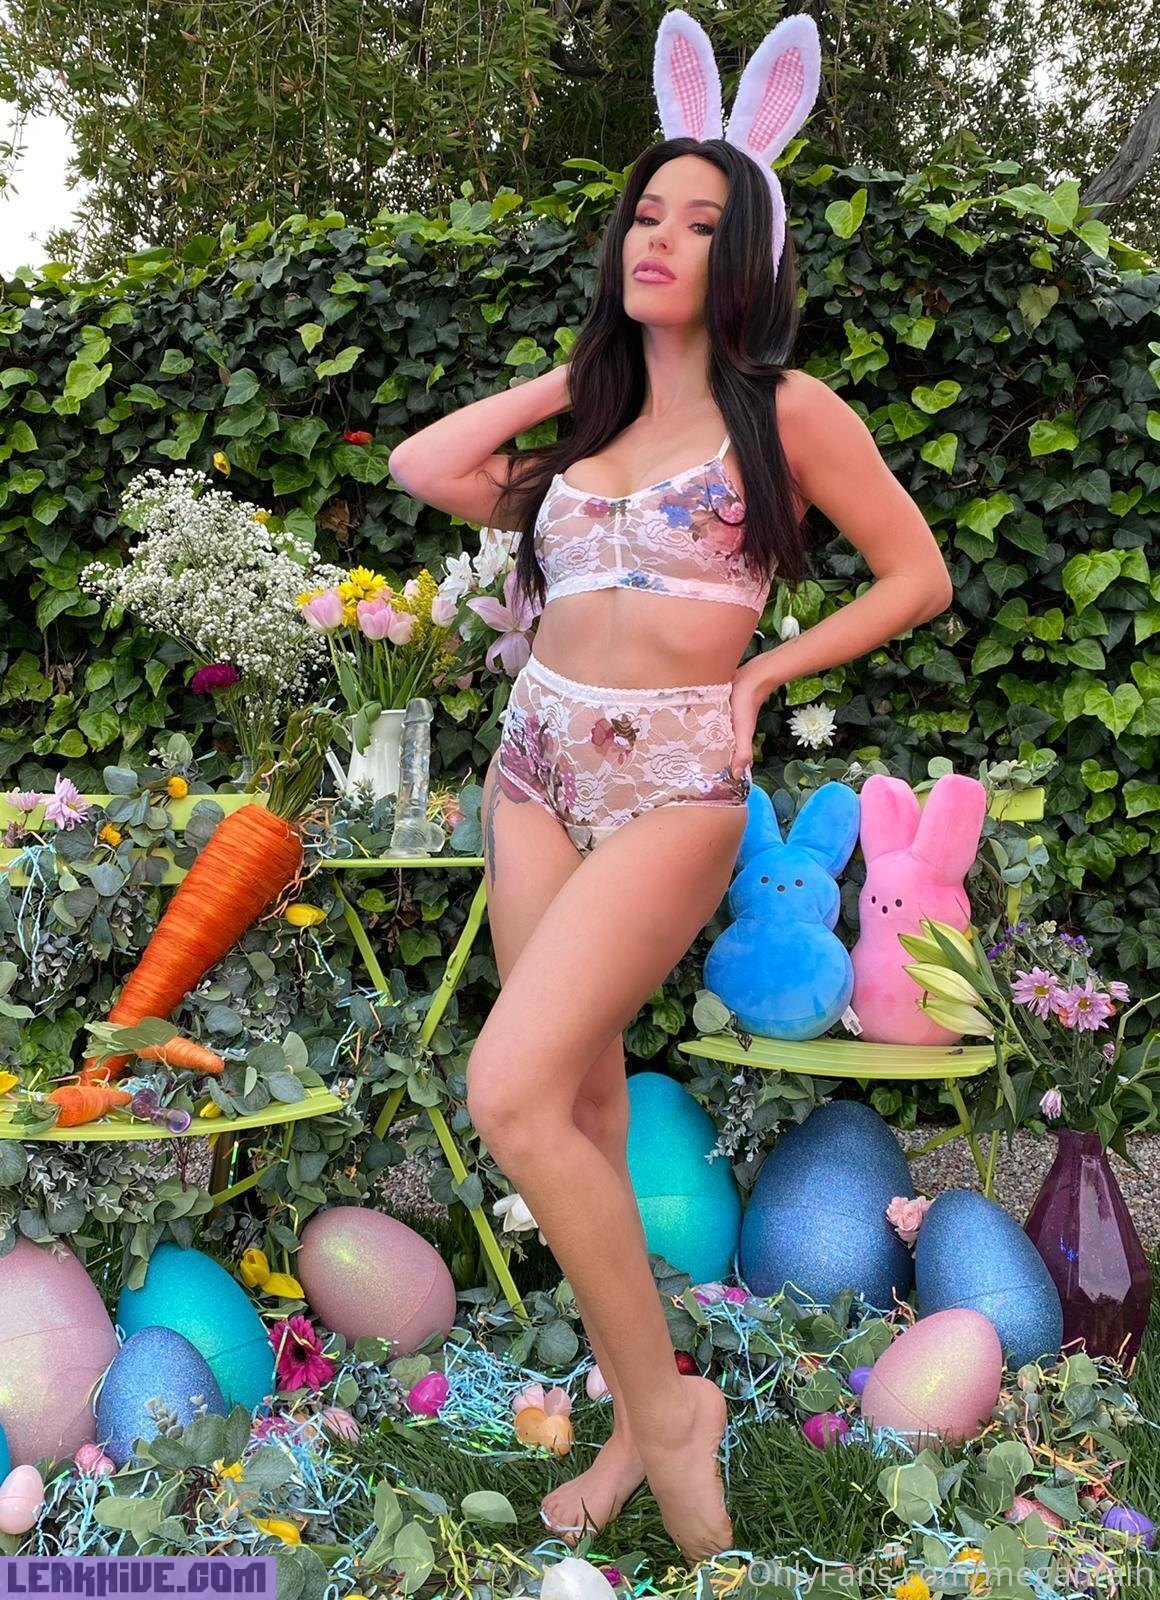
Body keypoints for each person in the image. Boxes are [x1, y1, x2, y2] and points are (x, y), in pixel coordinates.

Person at [387, 8, 953, 1566]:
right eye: (648, 213)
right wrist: (571, 375)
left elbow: (917, 574)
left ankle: (668, 1414)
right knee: (572, 1103)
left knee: (507, 1094)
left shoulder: (789, 415)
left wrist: (765, 675)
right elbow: (425, 466)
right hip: (535, 765)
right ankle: (649, 1418)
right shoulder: (593, 423)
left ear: (749, 254)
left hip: (675, 778)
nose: (661, 238)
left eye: (702, 222)